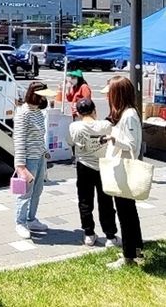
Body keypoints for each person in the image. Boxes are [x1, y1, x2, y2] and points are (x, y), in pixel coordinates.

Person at [102, 76, 144, 269]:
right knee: (129, 211)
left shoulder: (128, 115)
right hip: (123, 169)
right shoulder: (127, 113)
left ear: (117, 93)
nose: (107, 97)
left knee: (125, 213)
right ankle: (135, 249)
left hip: (125, 171)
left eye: (110, 93)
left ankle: (129, 256)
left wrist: (113, 139)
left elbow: (132, 145)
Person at [67, 98, 120, 248]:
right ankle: (110, 236)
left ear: (78, 113)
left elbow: (70, 142)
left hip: (84, 166)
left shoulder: (74, 126)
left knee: (85, 200)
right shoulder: (105, 125)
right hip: (103, 165)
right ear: (94, 110)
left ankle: (89, 233)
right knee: (106, 201)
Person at [13, 82, 51, 240]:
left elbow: (40, 135)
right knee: (25, 193)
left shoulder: (39, 112)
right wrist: (20, 166)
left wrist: (45, 151)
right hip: (28, 159)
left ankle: (31, 219)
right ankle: (20, 222)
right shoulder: (23, 113)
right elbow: (19, 140)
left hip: (39, 156)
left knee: (37, 190)